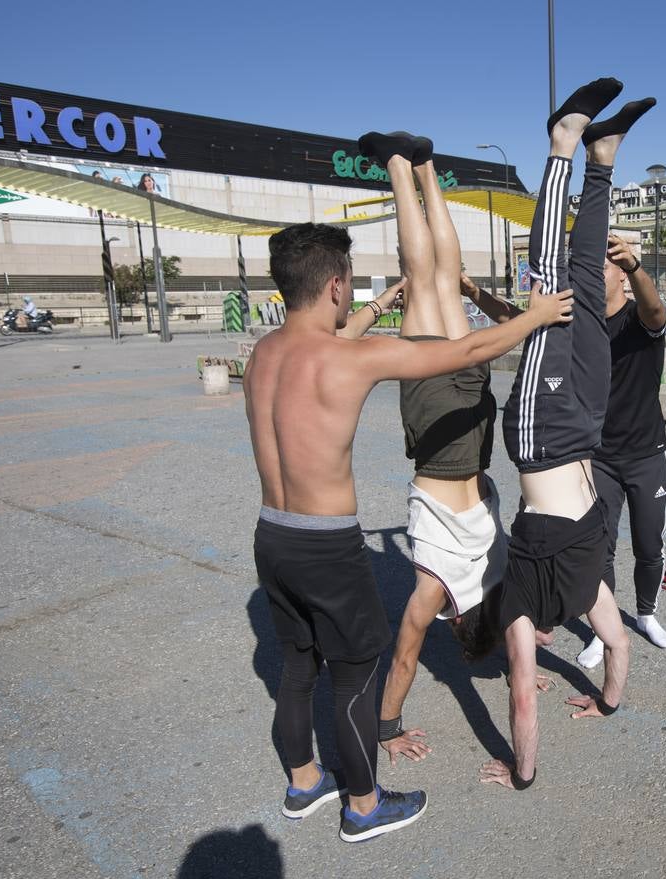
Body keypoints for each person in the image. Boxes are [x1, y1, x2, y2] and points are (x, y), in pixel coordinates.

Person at [244, 195, 573, 840]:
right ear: (335, 284)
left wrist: (381, 302)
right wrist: (533, 317)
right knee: (354, 675)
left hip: (272, 537)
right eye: (348, 292)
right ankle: (363, 806)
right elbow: (464, 350)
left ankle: (304, 781)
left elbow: (337, 333)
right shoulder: (350, 358)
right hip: (328, 547)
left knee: (298, 668)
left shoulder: (262, 356)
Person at [478, 77, 656, 792]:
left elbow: (536, 688)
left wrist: (523, 772)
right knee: (584, 277)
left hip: (543, 434)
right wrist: (606, 703)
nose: (533, 643)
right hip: (582, 428)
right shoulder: (554, 589)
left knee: (550, 283)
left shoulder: (562, 587)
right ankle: (603, 157)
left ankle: (563, 143)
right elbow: (610, 651)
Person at [357, 134, 512, 766]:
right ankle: (398, 165)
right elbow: (403, 654)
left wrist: (525, 666)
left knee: (445, 280)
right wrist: (387, 727)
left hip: (475, 423)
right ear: (456, 620)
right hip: (435, 423)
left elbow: (521, 616)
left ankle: (425, 166)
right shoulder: (433, 593)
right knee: (424, 278)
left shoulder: (498, 564)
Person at [575, 233, 666, 669]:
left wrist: (635, 266)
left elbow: (658, 311)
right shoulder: (582, 325)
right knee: (601, 548)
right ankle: (604, 628)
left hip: (647, 455)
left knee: (649, 545)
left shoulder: (640, 320)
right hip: (601, 458)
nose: (597, 271)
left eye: (604, 264)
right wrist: (475, 292)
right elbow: (520, 320)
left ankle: (647, 614)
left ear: (619, 274)